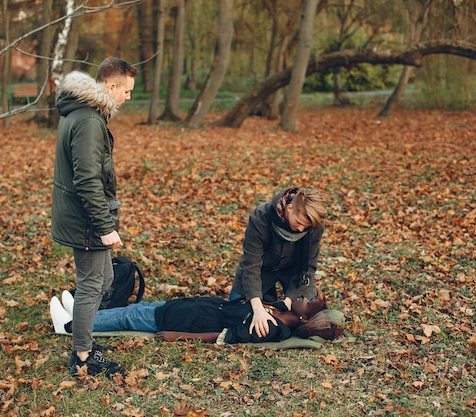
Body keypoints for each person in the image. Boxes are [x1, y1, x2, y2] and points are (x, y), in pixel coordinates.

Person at [51, 57, 137, 377]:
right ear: (111, 85)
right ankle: (83, 357)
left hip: (84, 214)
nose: (128, 98)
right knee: (92, 285)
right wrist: (104, 226)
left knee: (106, 280)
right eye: (126, 91)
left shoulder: (85, 113)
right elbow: (86, 179)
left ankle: (83, 339)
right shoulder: (88, 120)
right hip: (85, 218)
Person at [50, 290, 343, 344]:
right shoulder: (280, 308)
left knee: (130, 316)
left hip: (190, 323)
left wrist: (181, 337)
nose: (306, 297)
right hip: (194, 307)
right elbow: (286, 298)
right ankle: (81, 313)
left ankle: (70, 326)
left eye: (310, 303)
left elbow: (227, 337)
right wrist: (289, 303)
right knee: (137, 309)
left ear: (305, 320)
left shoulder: (271, 328)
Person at [229, 187, 327, 339]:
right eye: (299, 222)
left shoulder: (314, 226)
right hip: (261, 270)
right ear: (289, 208)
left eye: (306, 227)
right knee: (238, 313)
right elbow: (251, 265)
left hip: (294, 273)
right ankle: (266, 297)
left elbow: (308, 267)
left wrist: (289, 298)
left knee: (309, 318)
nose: (301, 229)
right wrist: (258, 308)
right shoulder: (260, 217)